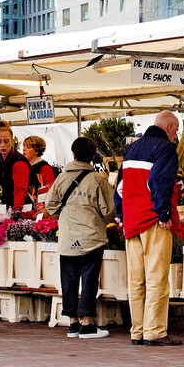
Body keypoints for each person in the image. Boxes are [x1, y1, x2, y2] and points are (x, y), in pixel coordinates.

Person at [45, 137, 118, 339]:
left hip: (68, 236)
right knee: (89, 279)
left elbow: (49, 206)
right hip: (92, 237)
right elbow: (110, 210)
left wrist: (66, 216)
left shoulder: (61, 178)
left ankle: (72, 323)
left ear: (73, 154)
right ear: (91, 156)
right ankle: (86, 323)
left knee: (68, 279)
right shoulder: (98, 179)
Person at [120, 110, 182, 346]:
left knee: (136, 280)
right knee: (156, 277)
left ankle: (137, 331)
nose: (175, 135)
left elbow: (121, 186)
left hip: (131, 221)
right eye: (175, 130)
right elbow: (160, 181)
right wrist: (164, 213)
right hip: (153, 220)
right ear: (170, 127)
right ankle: (154, 331)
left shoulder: (132, 148)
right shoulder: (164, 148)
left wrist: (120, 213)